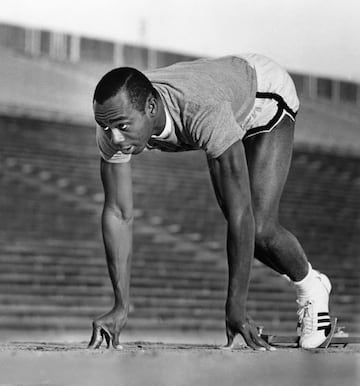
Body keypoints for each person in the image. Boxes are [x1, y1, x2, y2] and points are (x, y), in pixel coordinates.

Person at [87, 54, 332, 351]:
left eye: (122, 127)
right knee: (238, 219)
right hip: (220, 95)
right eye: (106, 127)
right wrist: (120, 306)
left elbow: (243, 214)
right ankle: (309, 280)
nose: (114, 138)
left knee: (257, 226)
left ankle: (311, 287)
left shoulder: (202, 110)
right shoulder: (113, 122)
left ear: (151, 108)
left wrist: (236, 306)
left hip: (263, 96)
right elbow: (118, 212)